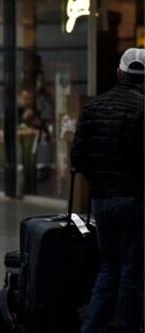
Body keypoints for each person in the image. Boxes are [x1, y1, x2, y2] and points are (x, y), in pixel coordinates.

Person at [72, 48, 144, 333]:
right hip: (135, 201)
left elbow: (78, 159)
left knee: (109, 267)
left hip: (102, 201)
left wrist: (99, 182)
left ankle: (90, 327)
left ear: (119, 73)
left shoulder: (94, 107)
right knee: (132, 271)